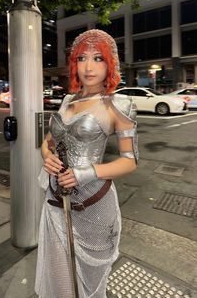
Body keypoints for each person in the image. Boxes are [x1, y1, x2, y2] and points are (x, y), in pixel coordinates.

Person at [35, 29, 139, 298]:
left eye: (98, 58)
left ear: (110, 64)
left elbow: (130, 161)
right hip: (56, 202)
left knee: (91, 285)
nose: (89, 67)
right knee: (60, 280)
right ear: (74, 63)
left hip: (94, 205)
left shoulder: (119, 105)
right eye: (82, 58)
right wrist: (49, 159)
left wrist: (86, 172)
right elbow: (46, 143)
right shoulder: (68, 101)